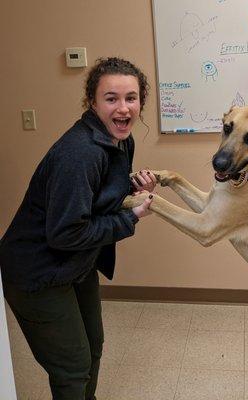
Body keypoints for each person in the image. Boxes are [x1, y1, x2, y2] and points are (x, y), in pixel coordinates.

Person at [0, 57, 156, 400]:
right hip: (37, 272)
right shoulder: (80, 153)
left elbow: (96, 199)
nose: (123, 108)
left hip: (76, 262)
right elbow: (66, 232)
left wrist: (131, 191)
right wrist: (130, 219)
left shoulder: (121, 141)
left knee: (93, 348)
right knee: (72, 367)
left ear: (141, 101)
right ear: (92, 103)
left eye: (131, 98)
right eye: (111, 98)